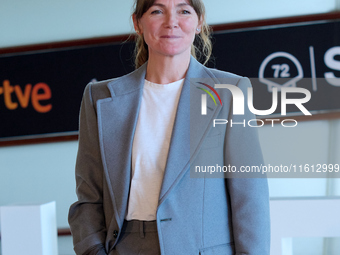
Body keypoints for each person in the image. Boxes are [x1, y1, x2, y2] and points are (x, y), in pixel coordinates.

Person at [68, 0, 271, 254]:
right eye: (157, 11)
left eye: (183, 11)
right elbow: (89, 196)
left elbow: (250, 198)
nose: (171, 21)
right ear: (137, 23)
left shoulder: (230, 93)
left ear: (199, 22)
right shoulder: (99, 98)